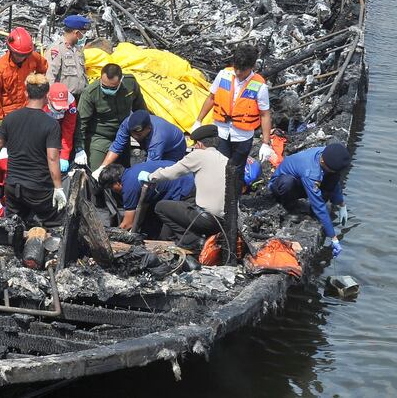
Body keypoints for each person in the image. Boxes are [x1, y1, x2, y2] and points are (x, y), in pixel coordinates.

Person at [0, 74, 66, 227]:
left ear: (26, 94)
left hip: (13, 187)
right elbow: (52, 159)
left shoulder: (10, 118)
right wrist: (58, 187)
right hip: (39, 189)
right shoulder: (51, 124)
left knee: (13, 226)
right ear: (46, 96)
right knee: (54, 225)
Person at [139, 124, 230, 250]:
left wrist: (150, 177)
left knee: (161, 207)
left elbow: (171, 173)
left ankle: (191, 240)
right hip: (226, 221)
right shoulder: (226, 160)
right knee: (189, 202)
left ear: (199, 144)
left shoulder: (198, 155)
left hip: (207, 219)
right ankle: (196, 236)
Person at [193, 43, 274, 179]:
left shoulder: (260, 86)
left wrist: (266, 143)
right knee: (218, 166)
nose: (238, 73)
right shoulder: (224, 74)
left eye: (242, 70)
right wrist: (198, 120)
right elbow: (211, 98)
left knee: (236, 170)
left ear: (252, 67)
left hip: (242, 136)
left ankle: (233, 199)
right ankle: (217, 198)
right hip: (221, 131)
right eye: (236, 68)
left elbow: (264, 114)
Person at [270, 143, 350, 256]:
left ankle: (313, 213)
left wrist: (342, 204)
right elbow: (319, 207)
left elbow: (335, 184)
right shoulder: (310, 171)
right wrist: (333, 237)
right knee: (287, 184)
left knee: (332, 177)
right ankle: (290, 206)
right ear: (322, 162)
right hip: (282, 184)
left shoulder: (326, 153)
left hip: (301, 181)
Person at [77, 63, 148, 169]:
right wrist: (79, 148)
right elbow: (81, 123)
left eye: (113, 87)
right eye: (105, 87)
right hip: (99, 138)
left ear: (121, 80)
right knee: (97, 174)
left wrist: (145, 137)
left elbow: (141, 111)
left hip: (123, 135)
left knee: (124, 173)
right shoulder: (91, 93)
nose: (109, 90)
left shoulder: (130, 84)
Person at [96, 160, 193, 236]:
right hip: (187, 176)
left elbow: (127, 224)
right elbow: (141, 209)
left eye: (110, 188)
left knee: (166, 233)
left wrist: (110, 236)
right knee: (148, 226)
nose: (113, 191)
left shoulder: (129, 186)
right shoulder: (131, 172)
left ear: (117, 182)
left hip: (186, 187)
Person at [0, 27, 48, 122]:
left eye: (24, 55)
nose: (21, 58)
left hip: (29, 107)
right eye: (18, 54)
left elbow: (43, 69)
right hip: (8, 114)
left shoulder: (33, 57)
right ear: (10, 49)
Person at [100, 110, 187, 169]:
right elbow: (117, 146)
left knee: (165, 172)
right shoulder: (128, 123)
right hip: (152, 141)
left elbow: (151, 166)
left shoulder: (157, 139)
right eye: (132, 133)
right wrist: (102, 167)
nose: (135, 137)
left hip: (174, 148)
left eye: (138, 134)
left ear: (148, 128)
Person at [47, 15, 90, 97]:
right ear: (76, 33)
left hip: (79, 98)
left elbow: (83, 75)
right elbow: (50, 77)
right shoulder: (56, 49)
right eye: (83, 33)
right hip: (63, 99)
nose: (84, 36)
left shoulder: (78, 50)